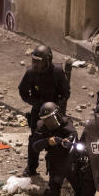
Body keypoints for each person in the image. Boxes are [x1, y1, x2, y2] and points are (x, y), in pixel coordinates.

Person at [30, 103, 90, 196]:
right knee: (51, 195)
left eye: (51, 118)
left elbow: (73, 136)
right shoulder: (41, 127)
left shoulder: (67, 124)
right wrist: (47, 141)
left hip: (72, 164)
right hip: (56, 165)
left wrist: (68, 141)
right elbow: (34, 146)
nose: (50, 123)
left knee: (81, 193)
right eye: (47, 120)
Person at [18, 45, 71, 177]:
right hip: (38, 112)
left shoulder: (58, 72)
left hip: (55, 112)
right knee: (34, 140)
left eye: (39, 61)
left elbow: (65, 93)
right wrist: (36, 104)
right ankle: (31, 168)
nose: (36, 65)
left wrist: (57, 106)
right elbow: (23, 91)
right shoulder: (30, 73)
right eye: (34, 61)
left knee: (59, 140)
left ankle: (60, 170)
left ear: (47, 61)